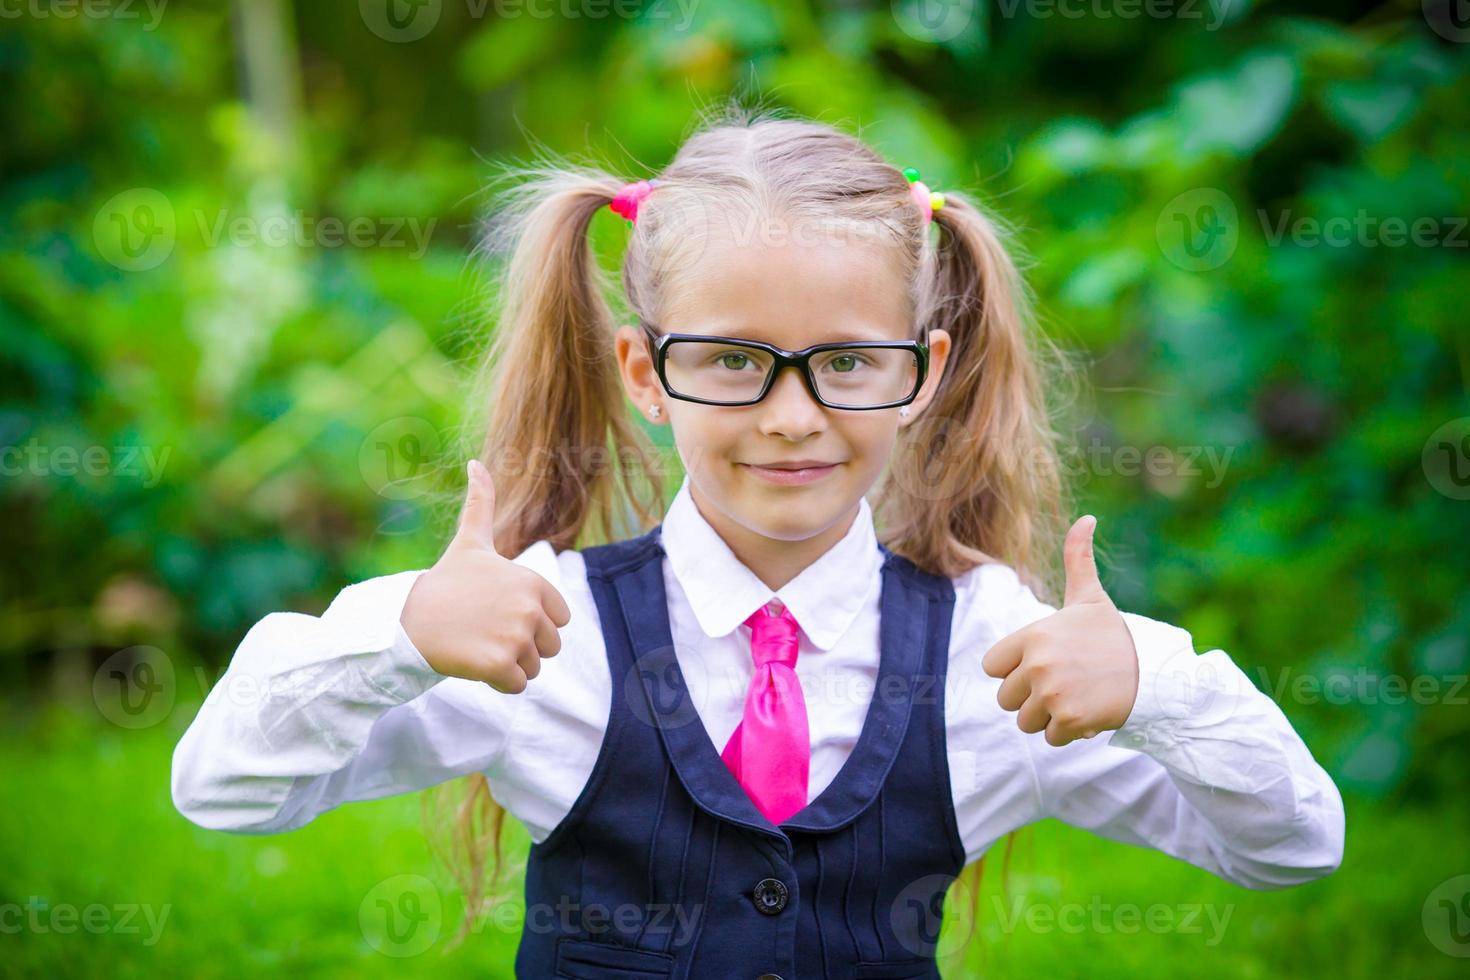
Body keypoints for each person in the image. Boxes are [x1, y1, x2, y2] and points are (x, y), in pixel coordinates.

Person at [171, 106, 1344, 978]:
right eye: (732, 360)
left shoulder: (998, 656)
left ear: (922, 374)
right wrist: (402, 635)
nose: (793, 415)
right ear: (645, 371)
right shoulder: (539, 635)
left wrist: (1156, 686)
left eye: (847, 362)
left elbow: (1295, 843)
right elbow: (219, 788)